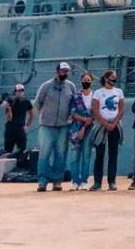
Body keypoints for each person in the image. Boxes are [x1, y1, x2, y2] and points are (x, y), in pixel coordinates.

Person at [33, 61, 76, 192]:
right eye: (63, 71)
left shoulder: (70, 87)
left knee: (61, 154)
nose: (65, 73)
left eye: (67, 71)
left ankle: (57, 181)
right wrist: (41, 119)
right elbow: (37, 103)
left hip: (63, 126)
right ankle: (42, 181)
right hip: (47, 126)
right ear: (57, 71)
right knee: (44, 154)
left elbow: (73, 104)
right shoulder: (46, 86)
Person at [91, 69, 125, 191]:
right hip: (101, 126)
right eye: (112, 77)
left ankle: (112, 181)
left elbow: (121, 109)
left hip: (115, 125)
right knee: (99, 154)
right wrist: (105, 123)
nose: (114, 80)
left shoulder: (119, 92)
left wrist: (114, 123)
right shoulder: (98, 93)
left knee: (113, 153)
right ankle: (97, 182)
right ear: (106, 78)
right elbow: (95, 110)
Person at [68, 71, 95, 190]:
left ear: (91, 82)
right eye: (84, 80)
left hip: (90, 129)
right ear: (81, 81)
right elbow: (72, 113)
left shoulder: (95, 97)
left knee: (86, 155)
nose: (86, 82)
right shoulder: (76, 96)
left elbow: (96, 112)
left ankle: (84, 180)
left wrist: (88, 122)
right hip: (76, 129)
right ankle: (75, 181)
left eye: (88, 80)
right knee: (75, 155)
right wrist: (85, 120)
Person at [3, 83, 34, 153]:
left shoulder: (27, 102)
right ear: (15, 92)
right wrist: (9, 108)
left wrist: (27, 126)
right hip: (10, 129)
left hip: (20, 129)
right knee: (7, 151)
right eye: (18, 91)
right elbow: (9, 118)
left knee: (22, 151)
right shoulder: (11, 102)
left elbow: (32, 114)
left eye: (22, 90)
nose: (20, 92)